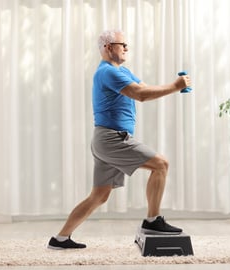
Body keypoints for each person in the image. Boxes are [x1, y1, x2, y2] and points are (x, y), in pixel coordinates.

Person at [48, 29, 192, 250]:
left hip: (104, 139)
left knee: (98, 196)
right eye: (122, 45)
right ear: (107, 47)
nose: (126, 48)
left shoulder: (121, 71)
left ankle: (59, 239)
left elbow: (143, 87)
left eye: (127, 45)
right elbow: (140, 95)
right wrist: (175, 87)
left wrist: (175, 85)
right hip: (112, 138)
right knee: (160, 164)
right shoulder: (107, 72)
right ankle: (153, 221)